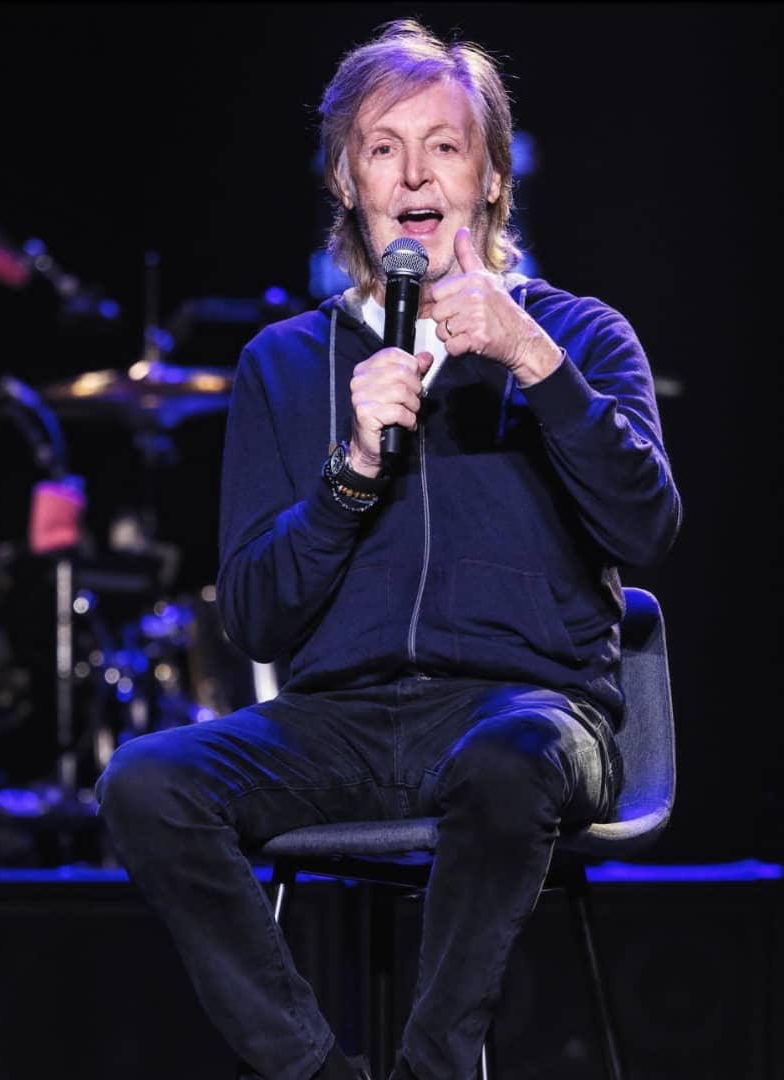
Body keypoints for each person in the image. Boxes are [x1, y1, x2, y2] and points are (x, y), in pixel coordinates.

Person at [96, 18, 681, 1080]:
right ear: (346, 180)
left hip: (530, 712)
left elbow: (647, 527)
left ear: (491, 179)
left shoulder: (583, 337)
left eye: (444, 146)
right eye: (382, 148)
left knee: (509, 758)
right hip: (341, 723)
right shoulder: (283, 363)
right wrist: (352, 471)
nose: (414, 174)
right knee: (145, 780)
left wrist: (535, 364)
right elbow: (256, 615)